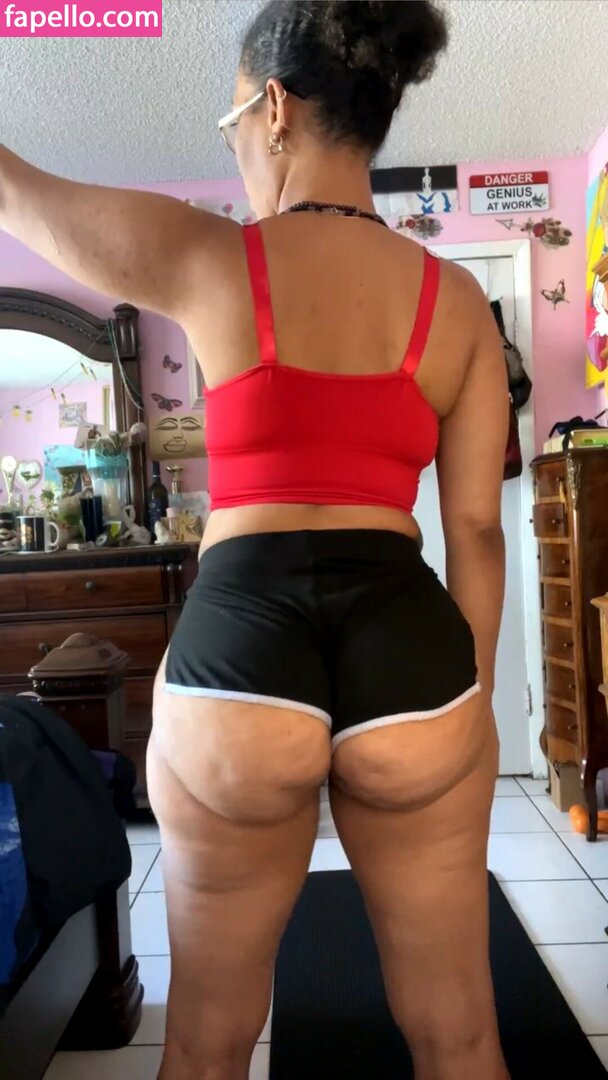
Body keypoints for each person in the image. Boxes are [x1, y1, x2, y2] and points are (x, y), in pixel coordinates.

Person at [0, 2, 510, 1077]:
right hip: (408, 642)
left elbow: (17, 190)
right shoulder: (458, 301)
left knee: (207, 1039)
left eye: (231, 121)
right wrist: (467, 701)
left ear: (273, 107)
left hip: (241, 641)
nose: (234, 145)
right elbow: (473, 527)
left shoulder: (208, 256)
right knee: (460, 1031)